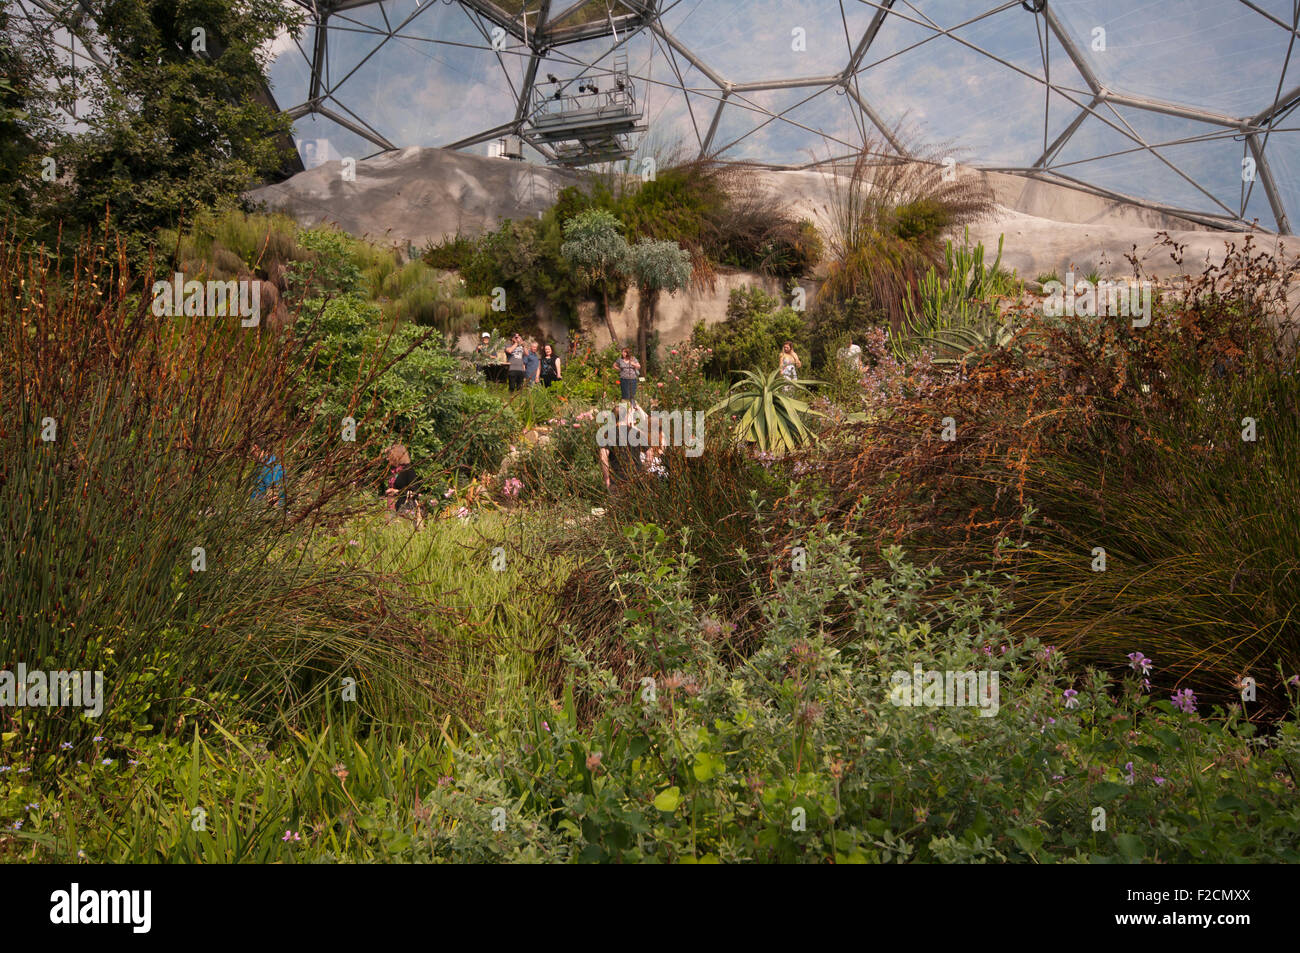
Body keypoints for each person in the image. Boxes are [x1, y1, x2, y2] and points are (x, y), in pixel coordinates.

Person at [598, 402, 645, 490]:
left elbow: (603, 457)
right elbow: (650, 453)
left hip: (618, 480)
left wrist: (607, 479)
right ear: (626, 415)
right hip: (638, 479)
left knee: (618, 503)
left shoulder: (609, 434)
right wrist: (643, 472)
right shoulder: (636, 433)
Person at [382, 444, 420, 516]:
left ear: (397, 456)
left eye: (389, 456)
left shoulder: (408, 470)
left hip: (405, 509)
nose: (387, 459)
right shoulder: (394, 470)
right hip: (392, 507)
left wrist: (397, 492)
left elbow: (415, 490)